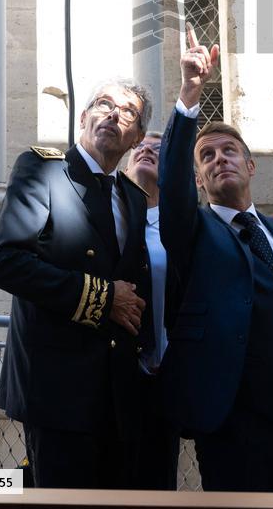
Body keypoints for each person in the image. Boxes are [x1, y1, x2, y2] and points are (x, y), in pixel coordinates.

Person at [157, 25, 273, 493]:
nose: (220, 159)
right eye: (207, 156)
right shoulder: (193, 231)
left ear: (250, 166)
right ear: (198, 179)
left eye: (229, 151)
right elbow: (170, 185)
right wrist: (190, 93)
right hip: (233, 424)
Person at [0, 80, 154, 489]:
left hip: (117, 395)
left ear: (136, 137)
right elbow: (6, 263)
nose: (113, 114)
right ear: (83, 118)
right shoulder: (44, 169)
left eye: (128, 112)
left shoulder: (133, 198)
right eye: (103, 104)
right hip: (56, 390)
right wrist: (104, 298)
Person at [124, 133, 180, 490]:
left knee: (158, 479)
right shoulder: (110, 216)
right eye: (139, 148)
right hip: (117, 371)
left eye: (158, 150)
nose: (146, 151)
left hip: (166, 376)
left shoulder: (181, 226)